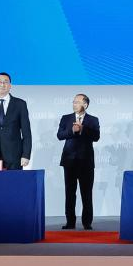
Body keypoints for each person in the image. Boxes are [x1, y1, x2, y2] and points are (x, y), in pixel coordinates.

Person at [57, 93, 100, 230]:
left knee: (86, 193)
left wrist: (83, 129)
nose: (74, 104)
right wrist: (72, 130)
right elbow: (60, 135)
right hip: (69, 161)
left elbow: (96, 137)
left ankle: (87, 222)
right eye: (73, 102)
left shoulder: (93, 120)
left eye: (77, 102)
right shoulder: (66, 118)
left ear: (85, 105)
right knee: (70, 193)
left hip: (86, 161)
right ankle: (70, 222)